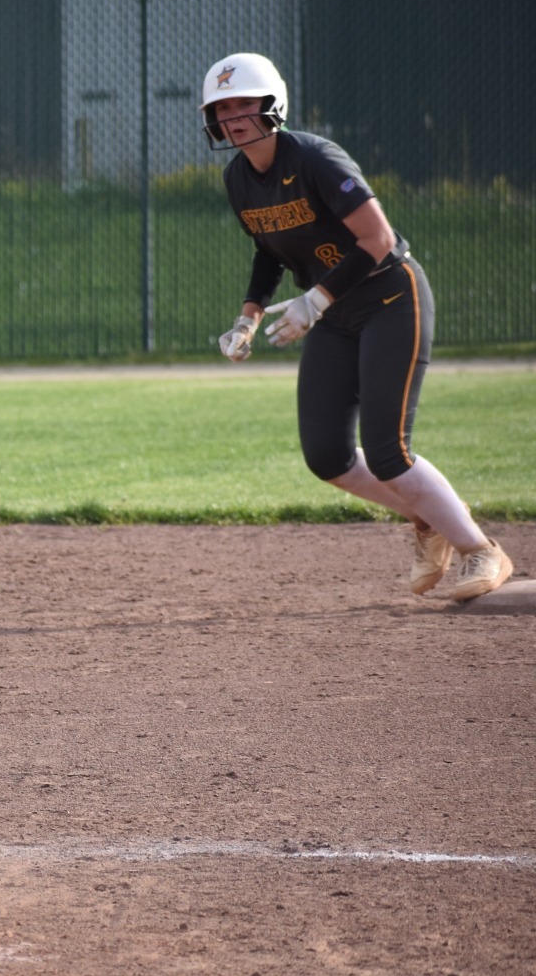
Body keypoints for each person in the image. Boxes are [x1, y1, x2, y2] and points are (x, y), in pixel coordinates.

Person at [202, 51, 513, 601]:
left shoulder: (317, 157)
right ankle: (429, 520)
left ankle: (480, 550)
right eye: (222, 108)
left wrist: (314, 302)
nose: (232, 117)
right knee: (327, 458)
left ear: (273, 104)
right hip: (334, 314)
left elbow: (379, 240)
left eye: (243, 103)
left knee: (389, 450)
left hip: (391, 298)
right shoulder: (238, 178)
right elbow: (268, 251)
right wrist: (246, 317)